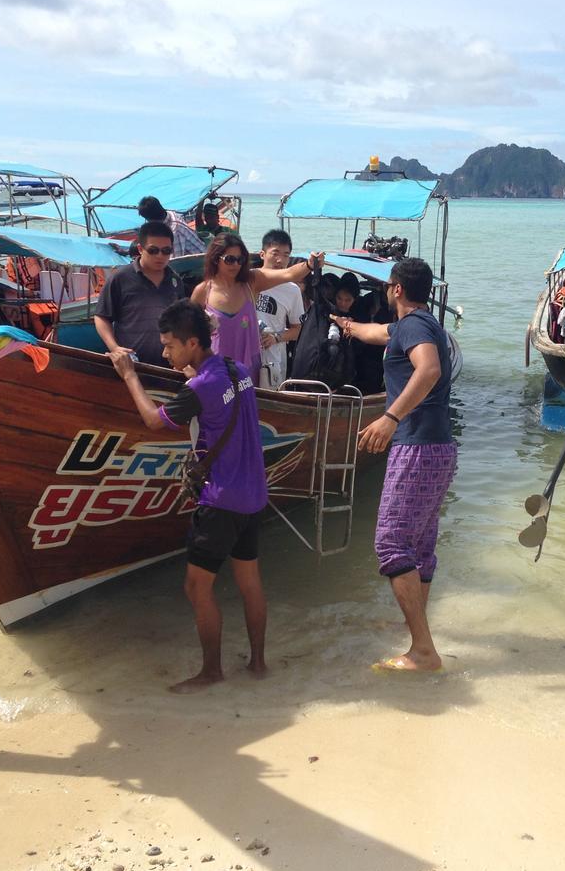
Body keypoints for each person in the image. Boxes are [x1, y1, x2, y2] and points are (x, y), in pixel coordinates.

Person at [109, 300, 269, 693]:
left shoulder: (199, 388)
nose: (164, 353)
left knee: (197, 587)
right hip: (253, 496)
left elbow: (153, 420)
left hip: (220, 501)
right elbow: (218, 400)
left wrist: (130, 375)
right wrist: (192, 374)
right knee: (250, 583)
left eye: (169, 345)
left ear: (193, 342)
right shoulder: (239, 370)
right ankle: (259, 664)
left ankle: (212, 672)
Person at [332, 258, 455, 672]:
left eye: (389, 286)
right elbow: (375, 333)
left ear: (396, 289)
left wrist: (390, 417)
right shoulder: (416, 324)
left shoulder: (416, 328)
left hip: (417, 444)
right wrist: (345, 324)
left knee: (390, 543)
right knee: (419, 546)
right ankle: (418, 633)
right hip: (437, 446)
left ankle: (422, 650)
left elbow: (430, 369)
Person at [192, 233, 323, 385]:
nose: (235, 265)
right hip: (215, 367)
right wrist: (189, 366)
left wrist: (309, 264)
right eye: (230, 259)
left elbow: (289, 274)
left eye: (240, 260)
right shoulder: (203, 291)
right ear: (215, 259)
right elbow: (187, 331)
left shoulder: (252, 282)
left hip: (248, 367)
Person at [94, 218, 181, 365]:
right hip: (131, 365)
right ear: (140, 249)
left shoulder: (175, 280)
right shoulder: (120, 278)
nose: (160, 256)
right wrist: (114, 348)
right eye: (153, 250)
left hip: (168, 367)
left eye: (166, 251)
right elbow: (102, 317)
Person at [254, 229, 305, 389]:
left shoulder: (292, 290)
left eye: (286, 255)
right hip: (244, 352)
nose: (280, 260)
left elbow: (299, 330)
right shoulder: (249, 279)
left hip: (272, 360)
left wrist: (275, 338)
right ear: (262, 254)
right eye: (275, 253)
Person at [138, 195, 205, 258]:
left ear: (153, 220)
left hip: (200, 263)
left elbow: (174, 262)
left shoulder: (174, 230)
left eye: (148, 220)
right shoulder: (169, 214)